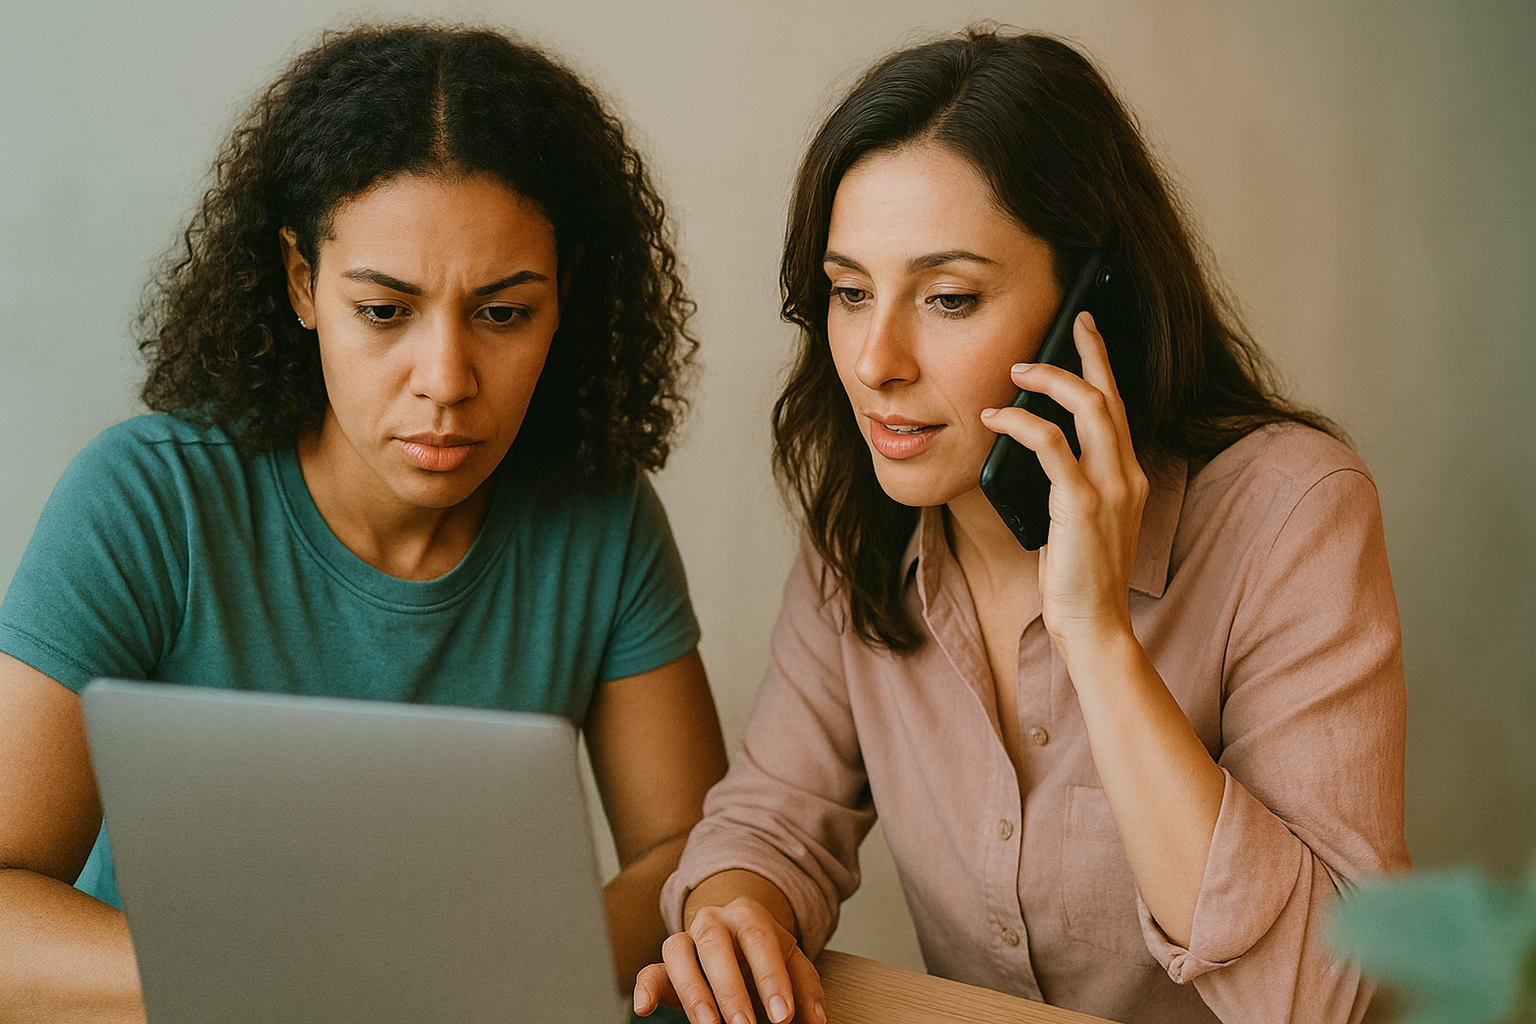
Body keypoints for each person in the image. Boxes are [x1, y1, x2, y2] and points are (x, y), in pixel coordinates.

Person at [633, 28, 1408, 1024]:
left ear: (1092, 306)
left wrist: (1097, 637)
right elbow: (773, 818)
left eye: (949, 298)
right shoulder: (867, 523)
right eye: (849, 291)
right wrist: (733, 914)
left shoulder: (1294, 511)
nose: (876, 360)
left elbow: (1321, 995)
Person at [0, 24, 728, 1023]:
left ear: (567, 302)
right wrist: (303, 983)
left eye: (505, 313)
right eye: (386, 311)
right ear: (302, 282)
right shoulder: (143, 502)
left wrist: (501, 980)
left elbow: (691, 847)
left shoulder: (600, 516)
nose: (445, 382)